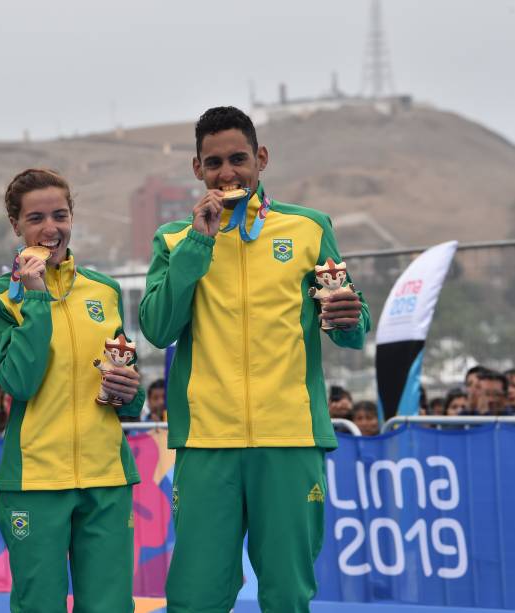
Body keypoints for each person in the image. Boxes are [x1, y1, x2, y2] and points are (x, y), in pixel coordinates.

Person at [139, 106, 370, 612]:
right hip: (206, 442)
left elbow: (350, 331)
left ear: (261, 159)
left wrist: (351, 319)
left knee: (287, 595)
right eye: (214, 162)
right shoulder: (176, 239)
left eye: (238, 159)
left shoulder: (309, 228)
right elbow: (156, 329)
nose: (228, 173)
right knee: (196, 597)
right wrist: (200, 243)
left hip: (290, 438)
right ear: (197, 169)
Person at [0, 168, 143, 612]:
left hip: (106, 478)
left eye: (60, 214)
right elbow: (18, 382)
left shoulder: (104, 291)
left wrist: (133, 390)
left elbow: (129, 386)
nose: (50, 228)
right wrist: (33, 297)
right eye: (36, 218)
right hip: (35, 481)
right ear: (16, 225)